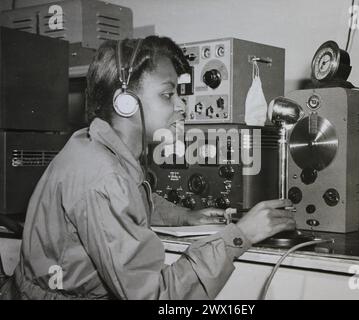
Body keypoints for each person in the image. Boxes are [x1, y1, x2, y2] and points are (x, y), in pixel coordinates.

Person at [10, 36, 295, 300]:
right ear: (125, 103)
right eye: (167, 95)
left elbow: (130, 196)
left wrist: (183, 216)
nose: (182, 106)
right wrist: (241, 235)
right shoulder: (103, 177)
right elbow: (157, 296)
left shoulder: (93, 145)